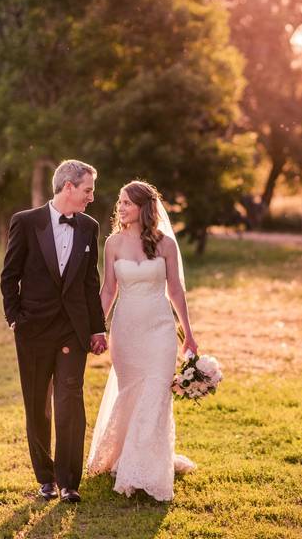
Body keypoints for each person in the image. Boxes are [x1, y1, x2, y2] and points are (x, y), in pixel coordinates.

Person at [0, 159, 108, 504]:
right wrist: (15, 317)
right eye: (88, 189)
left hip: (72, 332)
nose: (92, 196)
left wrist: (96, 328)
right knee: (37, 405)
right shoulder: (26, 222)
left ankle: (69, 482)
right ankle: (45, 478)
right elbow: (9, 274)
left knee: (70, 401)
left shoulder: (89, 227)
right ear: (69, 187)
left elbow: (91, 283)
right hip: (32, 330)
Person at [87, 180, 198, 500]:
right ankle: (125, 456)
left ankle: (146, 467)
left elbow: (176, 290)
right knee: (131, 392)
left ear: (143, 208)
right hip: (127, 330)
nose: (119, 208)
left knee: (156, 393)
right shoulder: (113, 244)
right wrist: (97, 328)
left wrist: (188, 333)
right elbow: (109, 290)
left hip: (160, 328)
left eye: (126, 203)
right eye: (119, 202)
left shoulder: (165, 244)